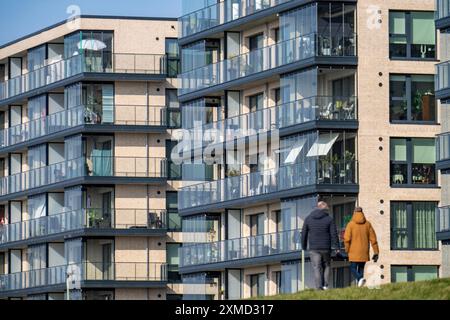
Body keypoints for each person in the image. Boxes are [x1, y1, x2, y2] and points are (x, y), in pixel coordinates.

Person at [301, 201, 340, 290]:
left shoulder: (308, 219)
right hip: (326, 247)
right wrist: (337, 247)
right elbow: (334, 234)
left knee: (316, 267)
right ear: (323, 208)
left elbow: (304, 233)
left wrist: (303, 246)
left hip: (314, 248)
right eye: (327, 207)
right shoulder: (329, 219)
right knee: (327, 265)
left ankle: (319, 287)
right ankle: (325, 285)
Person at [344, 207, 379, 288]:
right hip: (364, 251)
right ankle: (360, 285)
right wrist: (376, 252)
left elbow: (347, 239)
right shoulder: (368, 224)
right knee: (361, 268)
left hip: (353, 252)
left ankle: (360, 278)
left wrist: (347, 249)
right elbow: (373, 239)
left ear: (354, 213)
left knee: (352, 268)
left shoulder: (350, 224)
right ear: (362, 213)